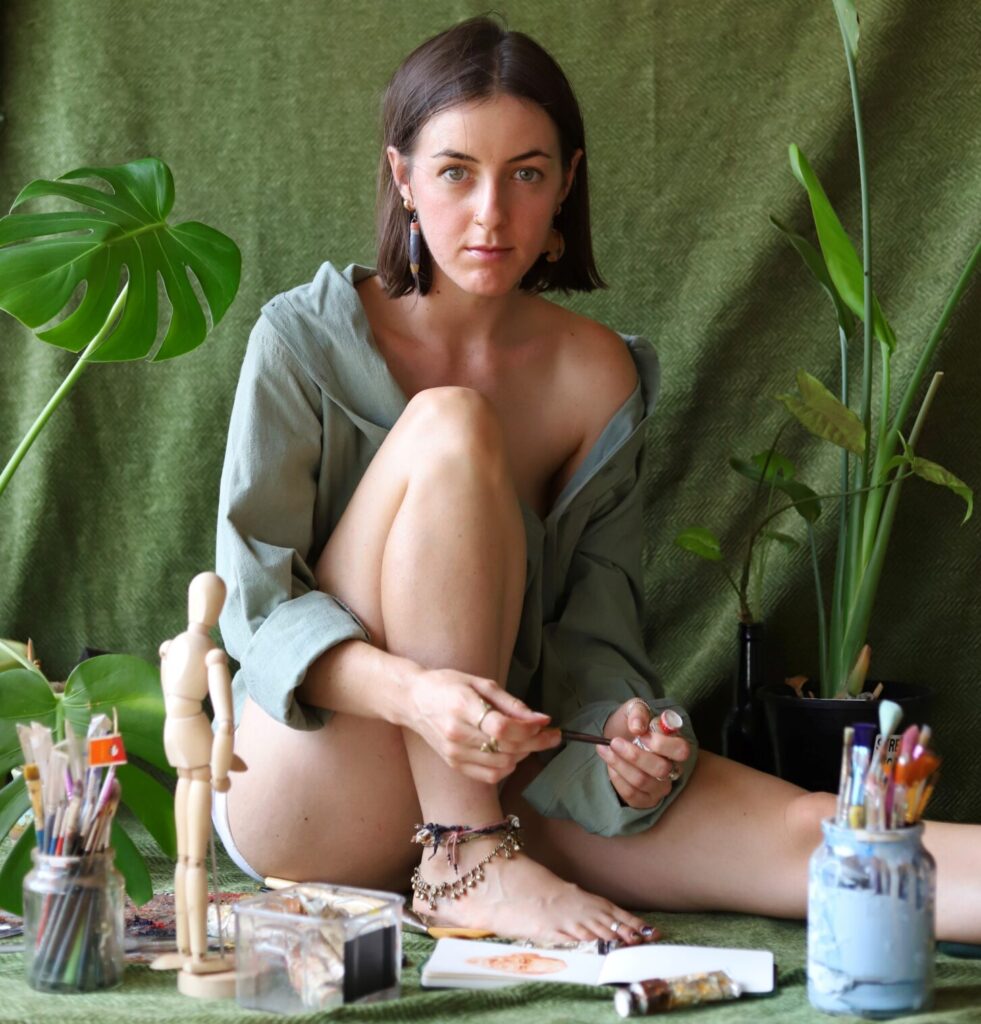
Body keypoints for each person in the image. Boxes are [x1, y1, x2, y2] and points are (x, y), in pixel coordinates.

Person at [215, 16, 981, 945]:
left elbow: (593, 633)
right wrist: (418, 696)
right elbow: (253, 610)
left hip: (518, 773)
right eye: (455, 171)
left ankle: (481, 844)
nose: (491, 212)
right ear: (402, 179)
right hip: (318, 787)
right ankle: (460, 859)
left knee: (810, 833)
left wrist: (627, 736)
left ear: (565, 185)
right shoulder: (299, 339)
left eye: (525, 174)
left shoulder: (598, 377)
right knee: (452, 425)